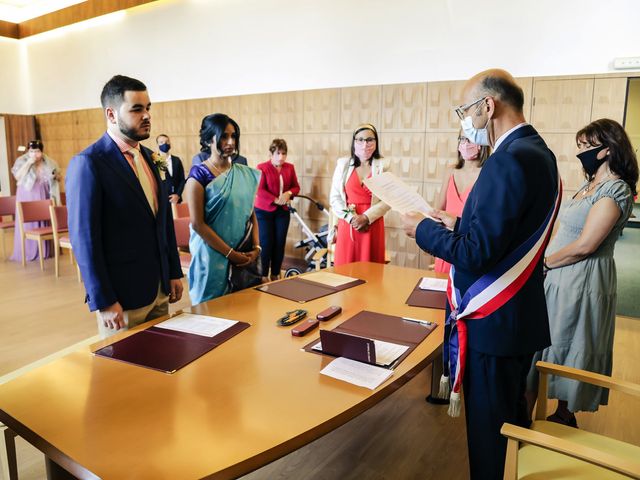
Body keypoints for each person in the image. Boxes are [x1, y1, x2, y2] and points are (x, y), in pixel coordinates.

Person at [401, 69, 559, 480]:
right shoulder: (538, 152)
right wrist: (454, 222)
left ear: (488, 107)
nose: (465, 122)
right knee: (511, 428)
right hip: (518, 319)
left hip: (494, 323)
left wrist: (421, 229)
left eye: (465, 112)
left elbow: (477, 253)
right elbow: (506, 231)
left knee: (491, 442)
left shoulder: (507, 161)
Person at [526, 118, 638, 427]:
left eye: (587, 146)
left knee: (569, 339)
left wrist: (546, 263)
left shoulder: (616, 189)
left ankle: (562, 414)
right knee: (549, 341)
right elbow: (565, 230)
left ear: (608, 149)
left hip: (582, 278)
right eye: (580, 146)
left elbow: (586, 245)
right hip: (560, 271)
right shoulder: (591, 184)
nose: (582, 152)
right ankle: (542, 414)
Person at [66, 75, 183, 339]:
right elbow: (85, 240)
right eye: (136, 109)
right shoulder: (89, 163)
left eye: (148, 108)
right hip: (122, 297)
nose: (147, 116)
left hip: (159, 288)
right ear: (111, 113)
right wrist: (104, 299)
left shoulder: (151, 159)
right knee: (124, 375)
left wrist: (173, 272)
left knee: (164, 363)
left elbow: (163, 223)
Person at [183, 113, 261, 304]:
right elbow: (198, 224)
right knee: (211, 314)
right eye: (224, 136)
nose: (230, 141)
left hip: (243, 252)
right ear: (209, 139)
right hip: (211, 257)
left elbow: (250, 213)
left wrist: (257, 247)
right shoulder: (199, 175)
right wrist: (230, 254)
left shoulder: (242, 172)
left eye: (233, 136)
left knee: (245, 310)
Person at [329, 123, 390, 266]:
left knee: (371, 271)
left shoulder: (383, 165)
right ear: (354, 142)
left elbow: (388, 200)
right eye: (360, 140)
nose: (365, 144)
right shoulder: (343, 164)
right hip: (349, 223)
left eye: (370, 140)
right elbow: (335, 198)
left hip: (372, 223)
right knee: (345, 271)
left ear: (376, 142)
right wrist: (352, 219)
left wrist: (366, 218)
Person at [433, 134, 490, 273]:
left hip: (468, 248)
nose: (465, 143)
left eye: (469, 139)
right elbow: (438, 209)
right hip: (445, 245)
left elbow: (485, 222)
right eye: (462, 138)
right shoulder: (451, 170)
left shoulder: (487, 174)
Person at [254, 138, 300, 280]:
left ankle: (275, 274)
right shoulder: (262, 167)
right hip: (263, 211)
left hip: (282, 212)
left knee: (279, 243)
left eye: (284, 154)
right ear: (271, 154)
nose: (281, 157)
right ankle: (262, 275)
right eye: (278, 153)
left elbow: (296, 187)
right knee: (266, 243)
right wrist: (275, 200)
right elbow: (259, 189)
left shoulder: (289, 167)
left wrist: (288, 193)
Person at [10, 140, 61, 262]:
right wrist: (29, 162)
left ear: (42, 152)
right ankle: (29, 250)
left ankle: (47, 250)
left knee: (46, 217)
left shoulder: (49, 161)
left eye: (37, 151)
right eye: (32, 151)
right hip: (28, 193)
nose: (34, 154)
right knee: (28, 219)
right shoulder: (22, 160)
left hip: (44, 192)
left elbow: (58, 176)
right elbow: (18, 176)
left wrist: (56, 176)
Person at [156, 134, 186, 204]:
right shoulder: (156, 160)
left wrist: (178, 195)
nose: (165, 144)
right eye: (161, 142)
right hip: (161, 201)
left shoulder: (176, 160)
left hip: (176, 200)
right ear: (157, 145)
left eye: (167, 142)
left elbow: (182, 180)